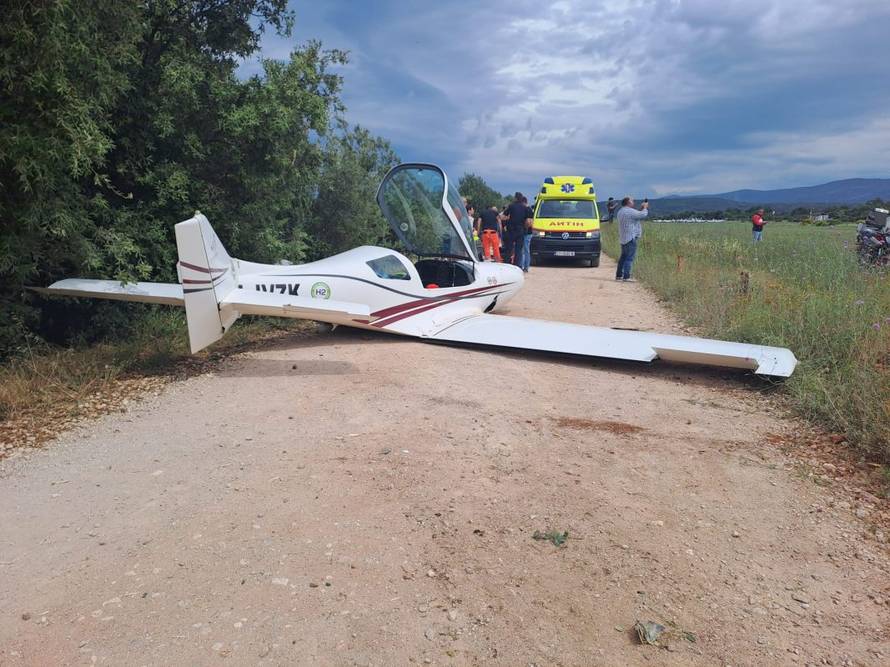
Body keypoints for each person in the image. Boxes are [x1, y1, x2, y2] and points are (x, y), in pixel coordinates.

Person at [615, 196, 648, 281]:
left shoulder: (621, 211)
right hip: (630, 238)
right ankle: (626, 276)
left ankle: (619, 275)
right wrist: (645, 207)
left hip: (623, 238)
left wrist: (640, 208)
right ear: (628, 202)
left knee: (623, 257)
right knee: (629, 258)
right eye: (632, 201)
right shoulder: (629, 211)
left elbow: (635, 214)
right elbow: (643, 215)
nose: (633, 202)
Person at [503, 192, 531, 268]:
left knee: (509, 248)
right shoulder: (525, 208)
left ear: (515, 198)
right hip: (520, 230)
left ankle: (507, 265)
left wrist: (505, 224)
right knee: (518, 250)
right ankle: (517, 266)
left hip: (511, 230)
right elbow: (528, 221)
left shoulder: (511, 206)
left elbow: (503, 216)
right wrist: (525, 228)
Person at [520, 196, 534, 272]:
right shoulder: (530, 210)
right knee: (526, 250)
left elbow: (529, 222)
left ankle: (524, 267)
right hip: (529, 233)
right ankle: (526, 267)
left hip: (526, 233)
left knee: (524, 250)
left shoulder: (527, 210)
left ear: (523, 202)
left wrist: (524, 228)